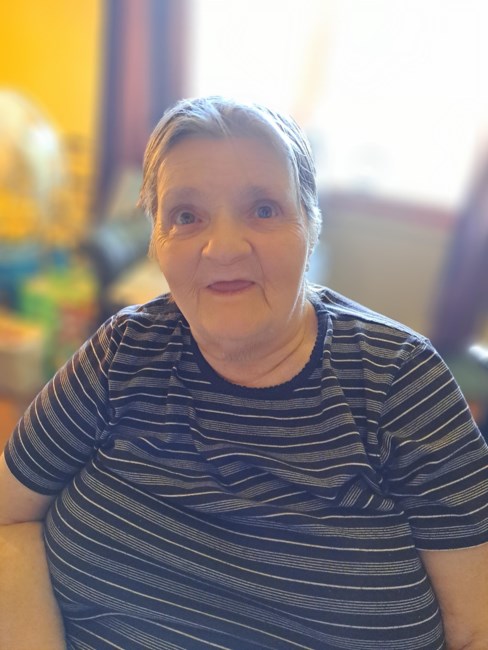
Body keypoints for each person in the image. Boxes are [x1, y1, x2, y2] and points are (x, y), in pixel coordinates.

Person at [1, 96, 488, 650]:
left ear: (311, 224)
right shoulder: (121, 351)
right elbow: (8, 517)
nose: (224, 248)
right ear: (157, 239)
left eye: (263, 209)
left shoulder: (402, 381)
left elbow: (478, 628)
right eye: (187, 216)